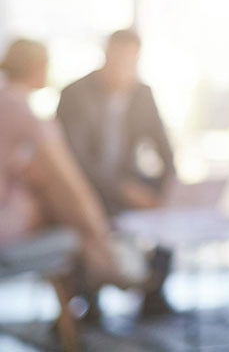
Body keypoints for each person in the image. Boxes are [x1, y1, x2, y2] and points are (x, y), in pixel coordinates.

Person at [0, 38, 142, 291]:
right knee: (61, 188)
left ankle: (99, 259)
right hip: (6, 225)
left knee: (47, 185)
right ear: (38, 68)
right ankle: (103, 254)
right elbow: (67, 177)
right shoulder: (20, 109)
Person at [57, 28, 176, 317]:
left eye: (130, 60)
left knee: (167, 212)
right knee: (86, 214)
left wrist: (170, 185)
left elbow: (162, 143)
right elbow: (75, 160)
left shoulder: (141, 93)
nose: (123, 66)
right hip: (84, 184)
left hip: (126, 178)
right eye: (118, 58)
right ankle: (89, 301)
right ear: (106, 54)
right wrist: (123, 190)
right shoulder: (75, 94)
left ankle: (153, 293)